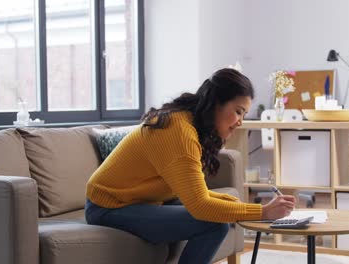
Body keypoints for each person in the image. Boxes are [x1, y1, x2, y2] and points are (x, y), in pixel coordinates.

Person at [85, 68, 296, 264]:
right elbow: (201, 206)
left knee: (228, 205)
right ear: (216, 103)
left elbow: (198, 195)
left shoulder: (189, 123)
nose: (240, 121)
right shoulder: (179, 132)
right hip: (109, 206)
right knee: (214, 223)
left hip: (142, 201)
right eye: (238, 111)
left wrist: (242, 207)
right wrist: (263, 212)